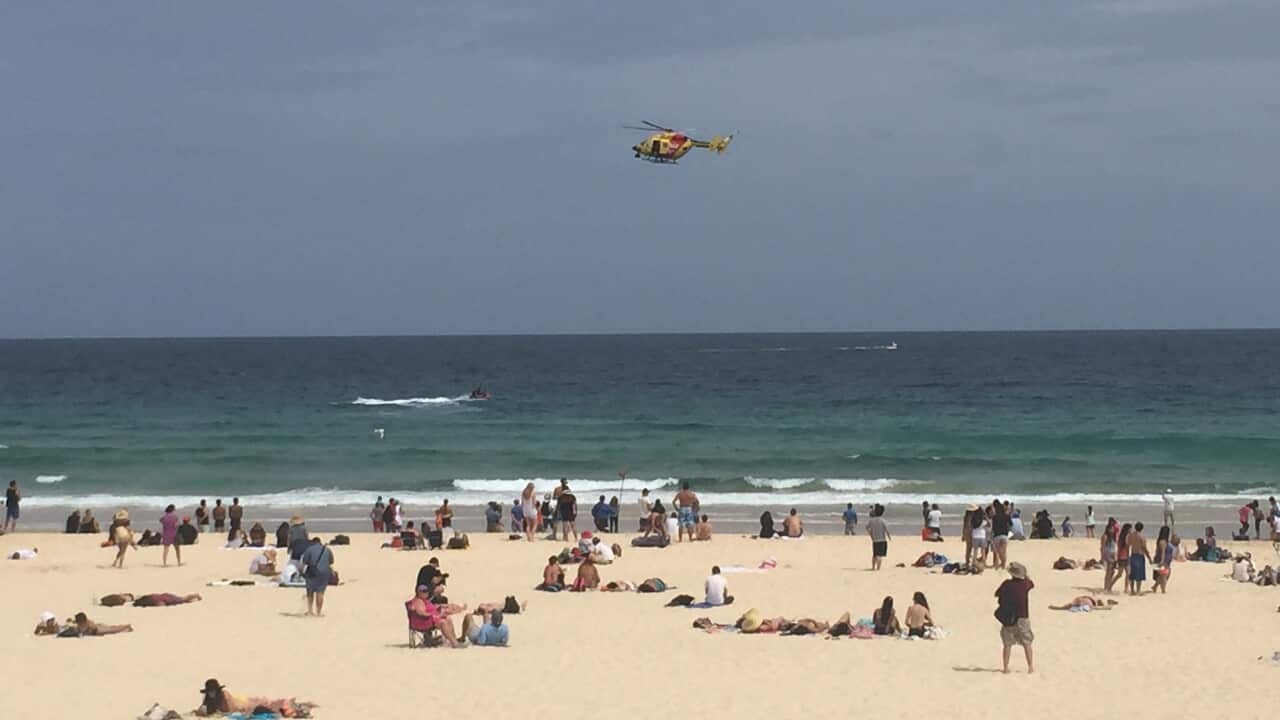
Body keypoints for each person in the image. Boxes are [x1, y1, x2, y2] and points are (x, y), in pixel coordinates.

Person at [196, 678, 312, 717]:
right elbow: (203, 709)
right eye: (209, 692)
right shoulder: (209, 699)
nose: (211, 694)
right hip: (240, 705)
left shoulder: (225, 696)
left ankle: (294, 707)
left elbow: (230, 710)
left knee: (268, 706)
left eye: (212, 691)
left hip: (243, 706)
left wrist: (218, 714)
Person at [995, 562, 1034, 674]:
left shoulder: (1006, 584)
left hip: (1008, 617)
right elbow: (1032, 583)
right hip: (1023, 617)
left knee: (1007, 644)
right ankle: (1030, 667)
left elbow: (997, 594)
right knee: (1027, 643)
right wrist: (1025, 575)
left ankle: (1006, 668)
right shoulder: (1025, 584)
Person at [300, 537, 334, 616]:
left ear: (313, 542)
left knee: (310, 592)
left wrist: (301, 572)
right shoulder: (327, 550)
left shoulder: (309, 549)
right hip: (325, 572)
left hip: (312, 571)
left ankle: (310, 611)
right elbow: (331, 561)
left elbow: (304, 562)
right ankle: (318, 612)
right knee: (320, 592)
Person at [1126, 521, 1152, 596]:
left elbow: (1128, 545)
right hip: (1139, 555)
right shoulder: (1142, 537)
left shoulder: (1131, 535)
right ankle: (1138, 590)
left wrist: (1127, 555)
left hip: (1133, 554)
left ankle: (1132, 590)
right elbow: (1144, 548)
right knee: (1139, 574)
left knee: (1132, 574)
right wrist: (1149, 557)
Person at [867, 504, 890, 570]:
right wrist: (889, 536)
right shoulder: (883, 521)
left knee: (875, 554)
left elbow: (867, 527)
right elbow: (886, 529)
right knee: (879, 555)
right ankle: (878, 568)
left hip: (875, 540)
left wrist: (870, 534)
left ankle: (873, 567)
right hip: (882, 540)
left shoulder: (871, 521)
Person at [1101, 517, 1120, 593]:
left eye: (1113, 529)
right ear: (1108, 529)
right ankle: (1106, 587)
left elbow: (1115, 546)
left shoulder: (1113, 537)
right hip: (1108, 554)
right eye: (1111, 529)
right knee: (1109, 571)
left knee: (1112, 571)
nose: (1112, 530)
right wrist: (1102, 557)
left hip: (1113, 554)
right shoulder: (1105, 536)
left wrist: (1116, 555)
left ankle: (1108, 586)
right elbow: (1102, 547)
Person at [1153, 525, 1174, 593]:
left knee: (1164, 576)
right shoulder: (1163, 541)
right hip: (1163, 560)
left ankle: (1155, 586)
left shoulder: (1163, 541)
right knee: (1164, 576)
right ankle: (1163, 590)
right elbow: (1163, 552)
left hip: (1166, 561)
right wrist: (1162, 561)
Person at [990, 501, 1011, 569]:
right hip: (1004, 535)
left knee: (997, 552)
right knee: (1004, 552)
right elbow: (1011, 524)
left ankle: (996, 565)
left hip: (997, 535)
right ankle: (1003, 565)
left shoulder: (995, 517)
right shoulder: (1007, 516)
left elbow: (993, 527)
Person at [1049, 595, 1115, 611]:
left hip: (1081, 598)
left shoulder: (1095, 598)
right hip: (1087, 601)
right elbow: (1097, 608)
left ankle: (1058, 608)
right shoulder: (1092, 602)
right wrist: (1107, 607)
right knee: (1072, 607)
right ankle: (1058, 608)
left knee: (1071, 606)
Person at [133, 592, 202, 607]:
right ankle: (195, 596)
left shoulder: (151, 601)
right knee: (182, 599)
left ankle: (195, 595)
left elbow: (161, 603)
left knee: (183, 600)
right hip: (165, 596)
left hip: (167, 599)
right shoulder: (149, 598)